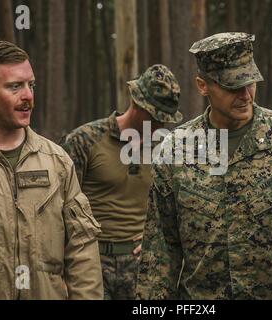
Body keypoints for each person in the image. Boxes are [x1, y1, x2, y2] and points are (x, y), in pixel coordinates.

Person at [136, 32, 272, 300]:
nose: (246, 95)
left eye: (250, 83)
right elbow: (160, 248)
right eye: (233, 86)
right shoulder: (176, 149)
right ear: (203, 86)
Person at [0, 40, 103, 300]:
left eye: (30, 85)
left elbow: (82, 249)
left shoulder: (57, 162)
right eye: (14, 87)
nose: (28, 96)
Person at [60, 64, 182, 300]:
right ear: (135, 102)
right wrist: (61, 268)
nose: (158, 126)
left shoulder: (166, 149)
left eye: (163, 121)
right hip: (90, 264)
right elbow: (58, 207)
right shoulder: (85, 140)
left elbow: (175, 208)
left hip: (141, 268)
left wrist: (156, 241)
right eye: (154, 117)